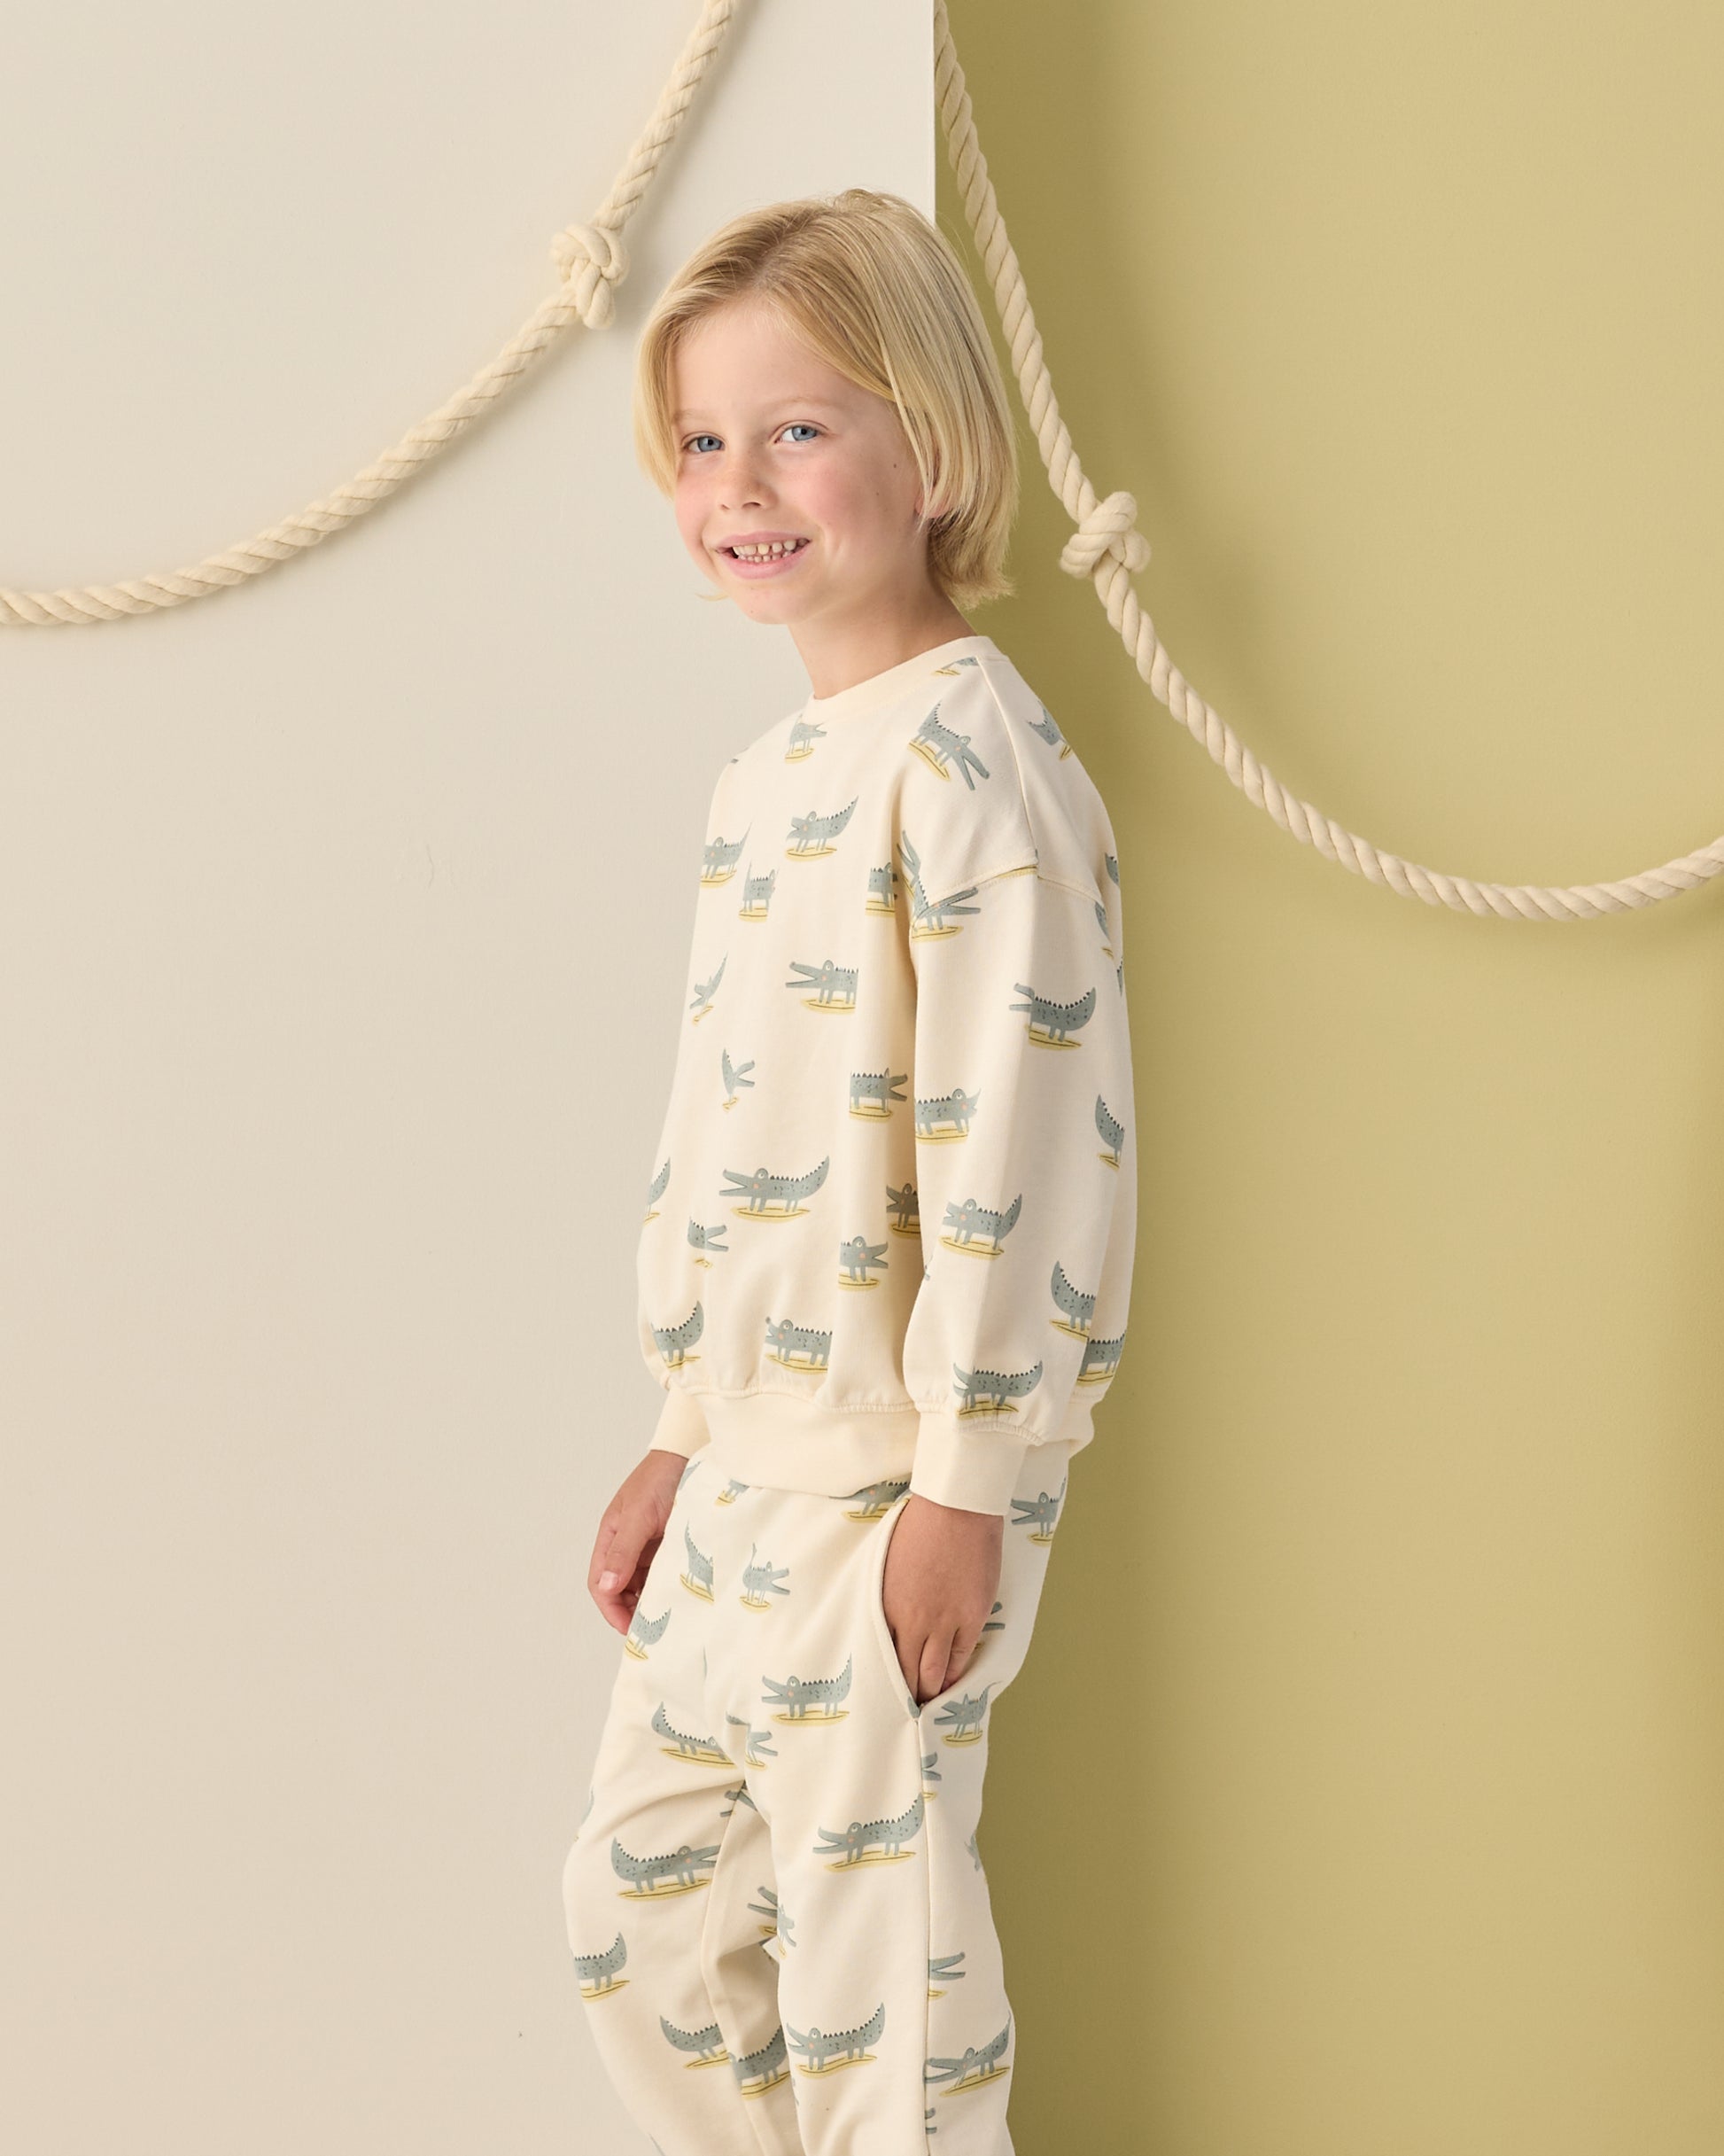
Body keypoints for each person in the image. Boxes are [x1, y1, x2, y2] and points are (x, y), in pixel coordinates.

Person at [561, 188, 1136, 2156]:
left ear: (931, 441)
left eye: (796, 429)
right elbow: (731, 1131)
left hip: (897, 1469)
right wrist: (679, 1423)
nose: (739, 485)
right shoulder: (770, 778)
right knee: (641, 1911)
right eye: (702, 441)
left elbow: (1024, 1137)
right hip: (745, 1455)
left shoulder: (975, 770)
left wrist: (965, 1481)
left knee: (876, 1979)